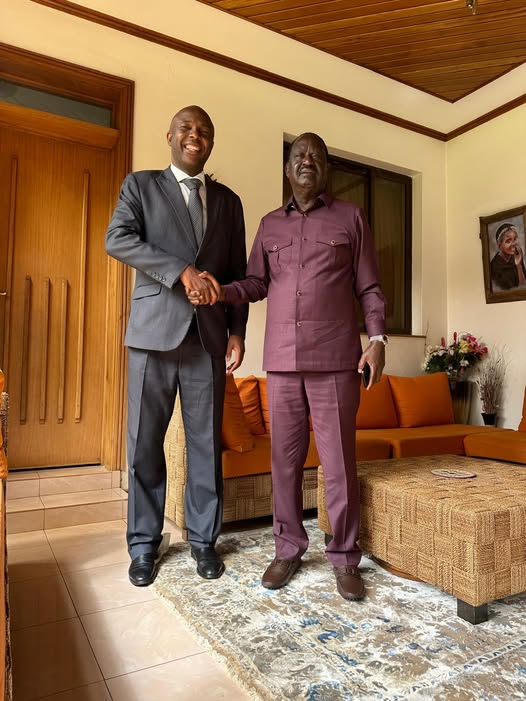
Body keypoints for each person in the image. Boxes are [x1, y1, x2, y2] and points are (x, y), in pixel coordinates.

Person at [187, 132, 386, 601]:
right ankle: (288, 549)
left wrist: (377, 340)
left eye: (316, 155)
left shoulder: (351, 218)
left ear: (326, 169)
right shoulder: (270, 225)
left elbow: (369, 287)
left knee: (338, 463)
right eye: (298, 154)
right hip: (281, 360)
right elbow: (255, 283)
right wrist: (222, 291)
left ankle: (344, 556)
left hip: (335, 360)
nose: (306, 160)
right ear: (287, 168)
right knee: (285, 462)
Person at [106, 106, 248, 586]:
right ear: (170, 135)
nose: (195, 135)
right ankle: (144, 544)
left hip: (208, 338)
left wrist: (237, 330)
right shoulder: (141, 186)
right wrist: (180, 271)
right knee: (144, 442)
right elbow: (116, 239)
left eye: (204, 131)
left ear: (211, 143)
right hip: (152, 336)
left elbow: (237, 272)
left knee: (205, 445)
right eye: (187, 128)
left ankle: (204, 541)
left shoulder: (228, 202)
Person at [490, 223, 526, 291]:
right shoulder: (494, 266)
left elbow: (523, 287)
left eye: (514, 239)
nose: (513, 244)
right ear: (500, 245)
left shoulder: (517, 256)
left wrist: (518, 266)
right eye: (508, 241)